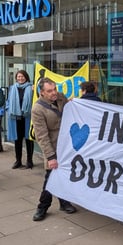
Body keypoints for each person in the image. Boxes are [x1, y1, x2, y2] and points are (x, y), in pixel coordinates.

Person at [30, 77, 77, 221]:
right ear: (42, 93)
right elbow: (42, 136)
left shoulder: (61, 98)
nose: (54, 93)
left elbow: (68, 108)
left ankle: (63, 202)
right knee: (50, 177)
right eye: (49, 91)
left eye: (55, 89)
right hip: (53, 147)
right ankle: (42, 207)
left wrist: (73, 103)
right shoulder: (37, 109)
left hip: (67, 146)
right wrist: (50, 157)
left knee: (64, 175)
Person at [6, 69, 34, 169]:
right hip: (16, 118)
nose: (20, 78)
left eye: (22, 76)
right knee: (17, 140)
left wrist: (36, 90)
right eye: (18, 77)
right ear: (16, 78)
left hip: (27, 117)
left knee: (28, 139)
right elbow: (8, 101)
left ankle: (29, 161)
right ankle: (18, 161)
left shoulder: (31, 88)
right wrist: (8, 108)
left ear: (26, 77)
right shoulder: (12, 88)